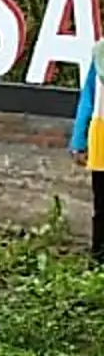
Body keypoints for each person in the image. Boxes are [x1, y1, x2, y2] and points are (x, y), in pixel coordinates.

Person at [72, 38, 104, 264]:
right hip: (102, 138)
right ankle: (99, 258)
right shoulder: (101, 53)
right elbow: (88, 98)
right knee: (102, 204)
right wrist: (78, 141)